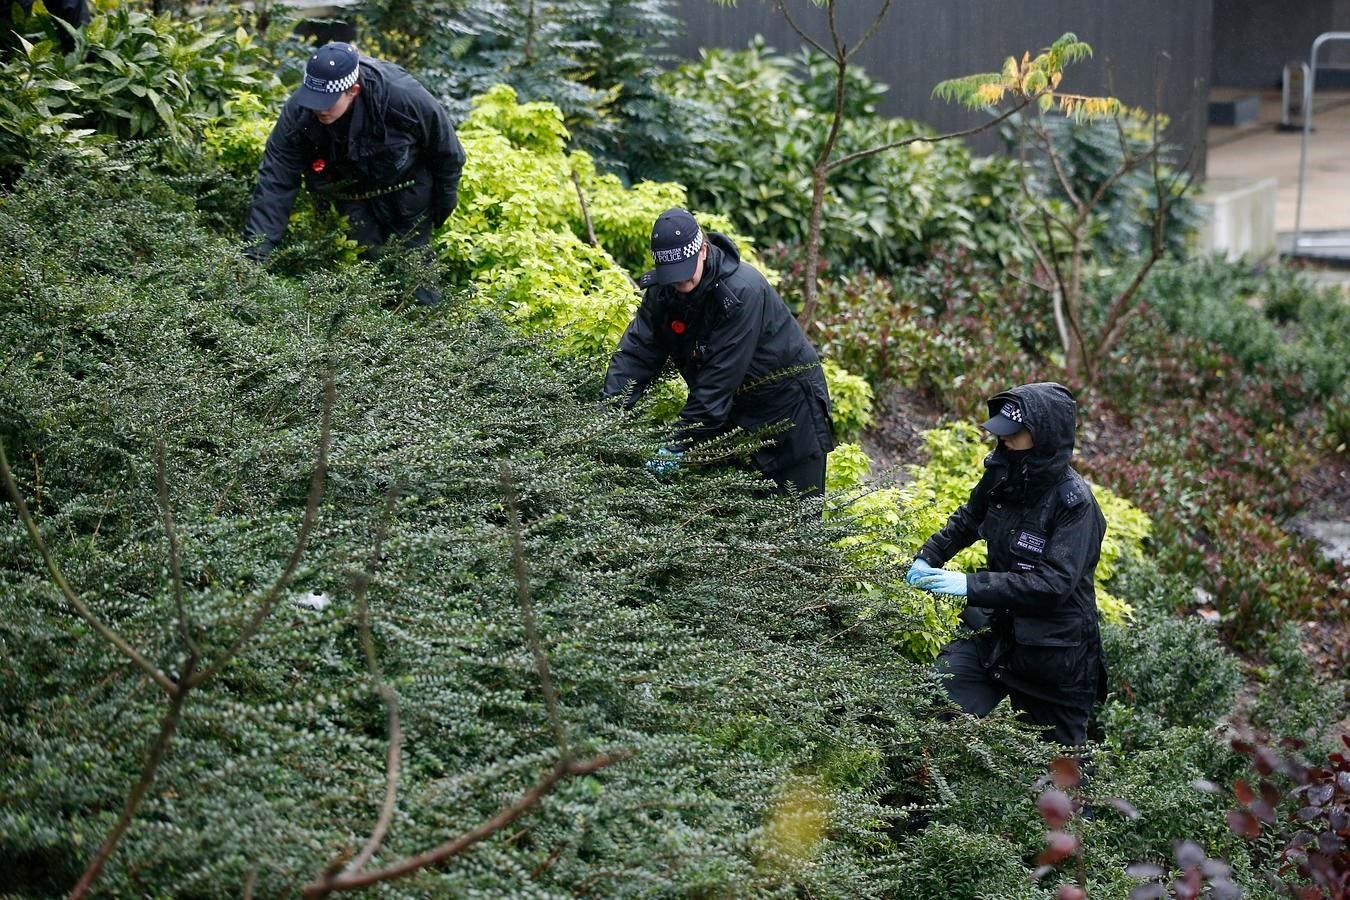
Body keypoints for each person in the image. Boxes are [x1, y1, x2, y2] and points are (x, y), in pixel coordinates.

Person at [908, 382, 1107, 746]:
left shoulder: (1075, 505)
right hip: (997, 633)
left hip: (1052, 658)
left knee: (1062, 782)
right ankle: (914, 789)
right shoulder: (1003, 473)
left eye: (1016, 433)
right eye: (1003, 432)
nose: (1006, 440)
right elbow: (970, 518)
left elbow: (1053, 585)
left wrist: (970, 585)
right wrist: (928, 557)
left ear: (1044, 435)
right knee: (929, 705)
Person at [602, 208, 834, 497]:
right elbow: (636, 355)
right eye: (673, 277)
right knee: (740, 518)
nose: (681, 285)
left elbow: (717, 384)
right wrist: (605, 417)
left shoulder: (741, 293)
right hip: (736, 413)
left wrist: (675, 444)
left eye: (686, 275)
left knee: (796, 522)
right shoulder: (664, 291)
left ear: (702, 251)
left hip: (790, 412)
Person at [243, 42, 466, 304]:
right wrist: (254, 257)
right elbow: (275, 182)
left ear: (353, 90)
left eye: (326, 102)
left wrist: (443, 204)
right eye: (313, 99)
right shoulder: (298, 112)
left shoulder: (402, 97)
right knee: (372, 272)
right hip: (353, 194)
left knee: (415, 277)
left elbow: (448, 153)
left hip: (409, 191)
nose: (318, 109)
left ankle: (431, 331)